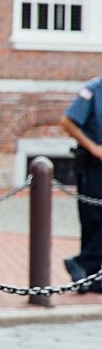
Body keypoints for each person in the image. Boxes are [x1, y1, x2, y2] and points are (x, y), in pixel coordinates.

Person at [60, 75, 102, 293]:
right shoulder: (94, 90)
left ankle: (90, 274)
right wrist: (94, 147)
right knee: (93, 219)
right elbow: (68, 121)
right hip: (94, 167)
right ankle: (85, 266)